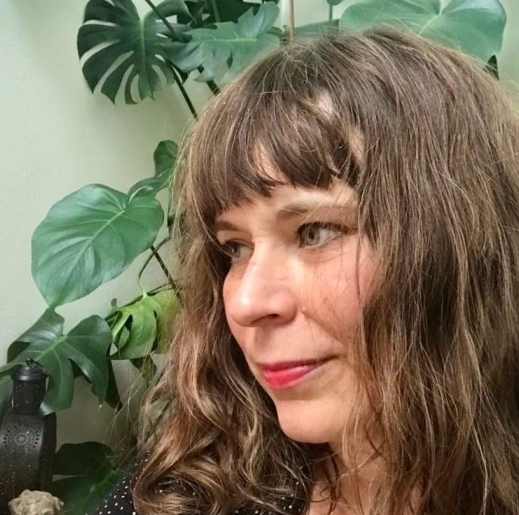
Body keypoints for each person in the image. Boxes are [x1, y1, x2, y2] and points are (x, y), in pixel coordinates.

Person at [93, 26, 519, 515]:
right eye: (235, 248)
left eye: (315, 231)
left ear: (460, 246)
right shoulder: (192, 484)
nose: (246, 304)